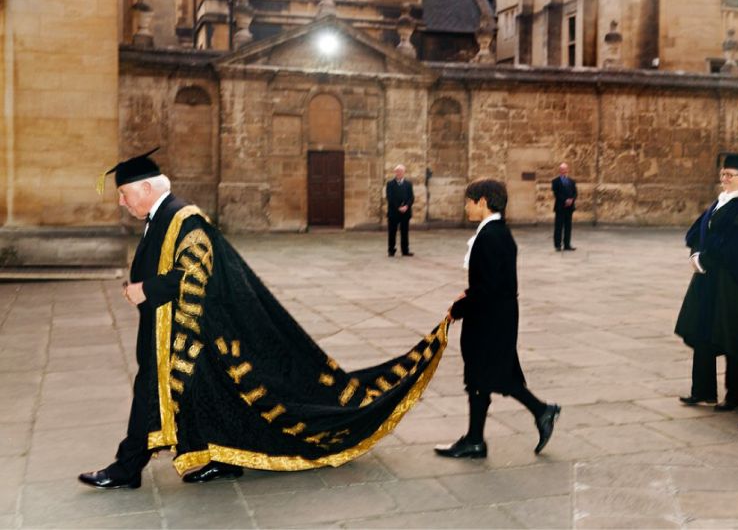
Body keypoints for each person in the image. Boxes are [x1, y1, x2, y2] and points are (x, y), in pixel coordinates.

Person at [79, 149, 449, 490]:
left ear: (145, 188)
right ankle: (219, 458)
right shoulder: (161, 217)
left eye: (124, 193)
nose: (121, 201)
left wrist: (147, 290)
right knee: (206, 395)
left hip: (192, 332)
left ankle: (127, 469)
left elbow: (196, 271)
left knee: (153, 391)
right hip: (183, 330)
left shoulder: (183, 219)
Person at [435, 179, 560, 459]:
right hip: (495, 315)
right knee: (485, 377)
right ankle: (477, 439)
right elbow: (491, 280)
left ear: (482, 202)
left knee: (489, 375)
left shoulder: (490, 236)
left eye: (468, 200)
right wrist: (467, 296)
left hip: (489, 319)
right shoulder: (497, 232)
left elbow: (488, 287)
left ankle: (539, 412)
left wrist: (460, 307)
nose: (466, 206)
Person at [674, 153, 738, 412]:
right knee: (703, 331)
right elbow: (696, 232)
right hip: (709, 280)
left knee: (733, 336)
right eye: (723, 174)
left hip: (734, 284)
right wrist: (696, 254)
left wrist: (706, 258)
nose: (724, 179)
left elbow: (737, 247)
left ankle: (736, 397)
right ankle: (702, 391)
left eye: (730, 175)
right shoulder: (720, 202)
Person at [386, 165, 414, 257]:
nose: (399, 173)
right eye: (397, 171)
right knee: (392, 232)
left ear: (404, 173)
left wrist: (407, 206)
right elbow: (389, 197)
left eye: (401, 171)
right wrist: (398, 207)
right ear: (395, 173)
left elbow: (411, 197)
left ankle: (405, 250)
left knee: (405, 232)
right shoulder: (390, 184)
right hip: (393, 212)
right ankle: (391, 250)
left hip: (405, 212)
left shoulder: (408, 184)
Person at [551, 162, 577, 251]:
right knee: (558, 226)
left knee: (568, 227)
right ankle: (558, 245)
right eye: (562, 169)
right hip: (560, 207)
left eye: (565, 169)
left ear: (567, 170)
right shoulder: (555, 181)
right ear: (559, 170)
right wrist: (565, 200)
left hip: (569, 208)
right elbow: (556, 193)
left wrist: (571, 200)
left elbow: (575, 192)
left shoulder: (571, 181)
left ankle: (567, 244)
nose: (563, 170)